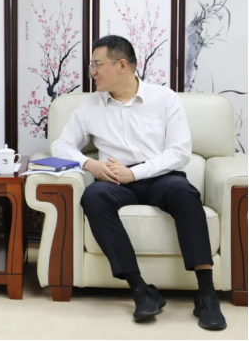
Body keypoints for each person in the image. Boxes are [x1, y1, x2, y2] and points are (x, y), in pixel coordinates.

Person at [52, 35, 227, 331]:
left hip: (159, 177)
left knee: (185, 192)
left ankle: (206, 295)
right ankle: (140, 290)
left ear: (122, 65)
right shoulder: (91, 105)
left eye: (97, 64)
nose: (92, 72)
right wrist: (89, 164)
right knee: (93, 197)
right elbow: (60, 145)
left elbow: (179, 152)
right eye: (92, 65)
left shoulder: (164, 99)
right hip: (113, 180)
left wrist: (135, 173)